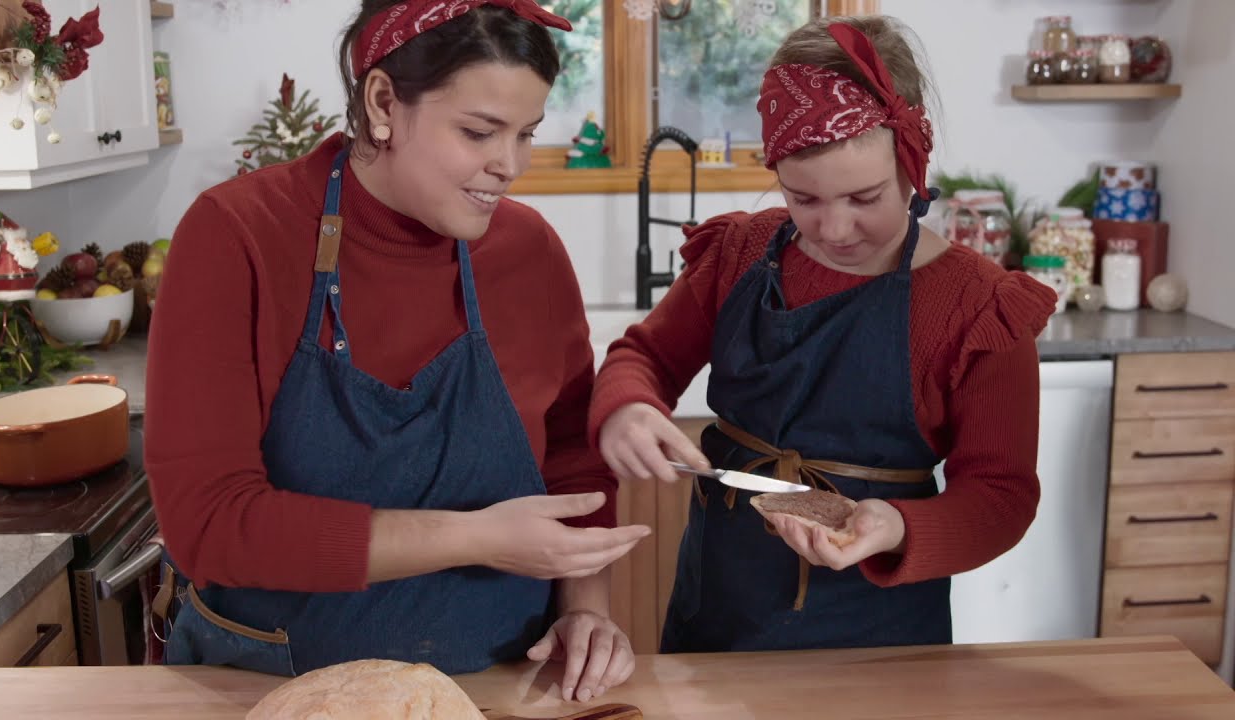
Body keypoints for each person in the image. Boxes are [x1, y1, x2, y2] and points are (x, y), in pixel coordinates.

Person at [144, 0, 648, 701]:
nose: (510, 165)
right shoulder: (238, 236)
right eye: (479, 131)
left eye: (527, 133)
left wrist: (585, 610)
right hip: (266, 692)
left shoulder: (528, 251)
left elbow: (570, 456)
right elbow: (209, 525)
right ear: (383, 103)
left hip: (498, 686)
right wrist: (473, 539)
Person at [590, 15, 1058, 654]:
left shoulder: (979, 309)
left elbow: (1000, 499)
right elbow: (645, 356)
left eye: (864, 198)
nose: (834, 230)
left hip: (879, 633)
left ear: (913, 161)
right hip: (719, 607)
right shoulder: (739, 252)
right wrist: (628, 406)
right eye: (802, 199)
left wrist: (896, 526)